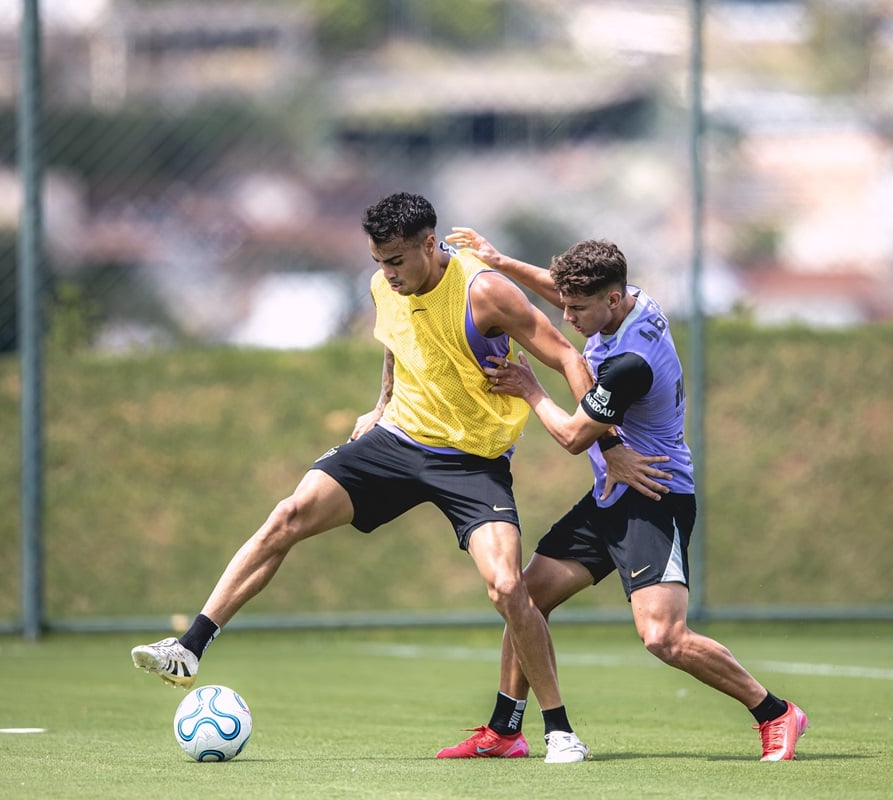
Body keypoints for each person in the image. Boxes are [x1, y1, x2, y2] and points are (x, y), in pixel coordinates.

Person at [131, 192, 617, 764]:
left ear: (429, 246)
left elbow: (565, 353)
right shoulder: (386, 285)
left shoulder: (483, 292)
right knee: (287, 515)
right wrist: (380, 404)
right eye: (377, 262)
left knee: (509, 588)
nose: (385, 274)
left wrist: (605, 441)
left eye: (395, 261)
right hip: (398, 441)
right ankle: (189, 649)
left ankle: (558, 731)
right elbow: (398, 343)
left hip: (473, 460)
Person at [436, 228, 809, 762]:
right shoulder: (626, 299)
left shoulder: (630, 361)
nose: (568, 319)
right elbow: (568, 291)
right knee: (525, 599)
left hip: (654, 493)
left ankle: (775, 713)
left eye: (578, 309)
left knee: (663, 636)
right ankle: (504, 732)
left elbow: (570, 436)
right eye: (566, 305)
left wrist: (530, 387)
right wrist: (502, 261)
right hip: (611, 493)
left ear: (612, 299)